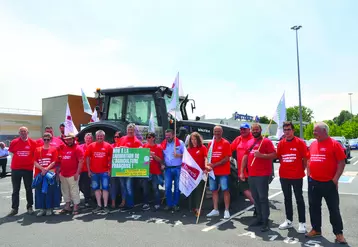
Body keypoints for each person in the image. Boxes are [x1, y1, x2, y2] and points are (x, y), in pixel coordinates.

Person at [305, 122, 347, 244]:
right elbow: (309, 159)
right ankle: (316, 229)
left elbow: (341, 162)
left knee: (334, 209)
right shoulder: (313, 144)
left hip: (329, 183)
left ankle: (338, 233)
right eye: (314, 131)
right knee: (314, 207)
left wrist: (335, 179)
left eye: (316, 131)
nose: (314, 133)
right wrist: (309, 176)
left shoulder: (334, 144)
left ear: (324, 131)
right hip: (314, 182)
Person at [240, 123, 276, 232]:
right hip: (252, 174)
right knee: (255, 198)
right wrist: (241, 171)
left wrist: (262, 156)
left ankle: (265, 220)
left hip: (263, 175)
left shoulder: (266, 141)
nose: (255, 131)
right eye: (253, 129)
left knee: (263, 198)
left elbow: (275, 155)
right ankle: (259, 218)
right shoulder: (250, 142)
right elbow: (245, 157)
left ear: (261, 130)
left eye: (257, 129)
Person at [275, 121, 308, 233]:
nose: (287, 132)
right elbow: (279, 157)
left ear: (293, 130)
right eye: (285, 130)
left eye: (289, 129)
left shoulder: (300, 142)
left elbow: (305, 158)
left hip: (297, 176)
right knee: (287, 198)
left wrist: (301, 169)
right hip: (284, 176)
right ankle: (289, 220)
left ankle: (302, 223)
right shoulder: (281, 144)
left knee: (299, 198)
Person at [7, 126, 37, 216]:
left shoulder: (33, 142)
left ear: (28, 132)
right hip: (16, 169)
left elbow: (35, 155)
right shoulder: (14, 142)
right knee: (16, 190)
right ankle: (14, 208)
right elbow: (12, 153)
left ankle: (30, 207)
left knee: (29, 189)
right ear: (19, 133)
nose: (23, 133)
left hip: (28, 169)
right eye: (21, 131)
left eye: (24, 131)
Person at [114, 124, 142, 211]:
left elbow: (141, 152)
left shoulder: (136, 141)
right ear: (127, 130)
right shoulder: (122, 139)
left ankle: (130, 204)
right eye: (129, 130)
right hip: (121, 168)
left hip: (131, 169)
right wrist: (121, 148)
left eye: (132, 130)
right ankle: (124, 202)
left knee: (128, 186)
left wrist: (140, 148)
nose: (130, 131)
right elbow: (116, 149)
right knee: (123, 186)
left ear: (134, 131)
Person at [206, 126, 232, 219]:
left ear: (222, 132)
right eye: (215, 131)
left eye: (219, 131)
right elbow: (208, 157)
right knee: (214, 191)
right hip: (213, 172)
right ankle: (215, 209)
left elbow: (226, 159)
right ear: (213, 132)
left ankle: (226, 210)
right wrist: (208, 166)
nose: (217, 133)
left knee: (225, 190)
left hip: (223, 172)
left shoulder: (225, 143)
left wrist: (214, 165)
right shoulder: (210, 143)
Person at [86, 130, 113, 214]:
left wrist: (110, 170)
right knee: (96, 189)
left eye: (101, 136)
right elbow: (87, 158)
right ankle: (99, 205)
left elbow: (112, 159)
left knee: (105, 189)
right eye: (98, 136)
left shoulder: (108, 146)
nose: (99, 137)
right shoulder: (91, 146)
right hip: (94, 172)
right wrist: (89, 170)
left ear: (103, 137)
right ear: (96, 136)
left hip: (105, 172)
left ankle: (105, 206)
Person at [230, 123, 255, 213]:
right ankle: (257, 205)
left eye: (244, 129)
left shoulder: (253, 139)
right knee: (243, 188)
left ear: (249, 130)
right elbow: (230, 149)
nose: (242, 131)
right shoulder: (238, 139)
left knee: (255, 190)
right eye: (241, 129)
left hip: (252, 170)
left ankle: (259, 208)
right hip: (242, 171)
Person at [33, 132, 59, 216]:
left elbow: (54, 161)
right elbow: (35, 161)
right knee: (39, 192)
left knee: (49, 191)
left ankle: (49, 208)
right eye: (45, 139)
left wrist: (46, 169)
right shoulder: (38, 149)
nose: (46, 141)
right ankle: (41, 209)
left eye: (48, 139)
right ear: (42, 139)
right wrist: (42, 169)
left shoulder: (54, 149)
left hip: (50, 174)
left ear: (51, 140)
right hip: (39, 174)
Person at [59, 133, 84, 215]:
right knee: (65, 191)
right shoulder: (64, 148)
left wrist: (77, 173)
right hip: (63, 173)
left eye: (70, 139)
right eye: (67, 139)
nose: (68, 141)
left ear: (74, 139)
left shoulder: (78, 148)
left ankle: (76, 207)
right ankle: (67, 206)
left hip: (73, 174)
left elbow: (81, 161)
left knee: (74, 191)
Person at [161, 129, 184, 212]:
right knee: (167, 187)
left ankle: (175, 204)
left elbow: (186, 155)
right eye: (166, 135)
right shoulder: (163, 144)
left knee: (178, 188)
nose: (167, 137)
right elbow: (162, 156)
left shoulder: (180, 143)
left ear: (173, 135)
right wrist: (162, 164)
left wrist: (178, 155)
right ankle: (169, 204)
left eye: (169, 135)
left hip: (178, 168)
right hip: (167, 168)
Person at [187, 132, 207, 216]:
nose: (193, 141)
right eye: (192, 139)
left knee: (199, 191)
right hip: (191, 174)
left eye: (195, 139)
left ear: (198, 140)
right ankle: (191, 207)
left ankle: (198, 208)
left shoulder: (203, 148)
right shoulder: (188, 149)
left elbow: (205, 158)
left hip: (200, 173)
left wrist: (206, 168)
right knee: (192, 190)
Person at [142, 132, 164, 210]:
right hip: (146, 171)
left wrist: (153, 155)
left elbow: (161, 160)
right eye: (147, 137)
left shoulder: (158, 147)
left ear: (154, 138)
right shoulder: (144, 146)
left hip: (155, 171)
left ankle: (157, 203)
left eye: (150, 137)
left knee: (155, 189)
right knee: (145, 189)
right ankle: (146, 203)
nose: (148, 139)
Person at [79, 133, 93, 207]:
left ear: (92, 139)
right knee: (79, 185)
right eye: (87, 138)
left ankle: (87, 200)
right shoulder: (80, 147)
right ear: (84, 139)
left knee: (87, 185)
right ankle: (77, 202)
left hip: (88, 170)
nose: (88, 139)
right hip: (80, 169)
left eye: (90, 138)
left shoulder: (93, 146)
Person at [110, 130, 123, 209]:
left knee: (122, 186)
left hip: (122, 170)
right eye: (114, 137)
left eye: (117, 137)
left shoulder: (124, 146)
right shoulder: (111, 146)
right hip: (113, 169)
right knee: (113, 186)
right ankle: (113, 202)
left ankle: (123, 202)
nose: (115, 138)